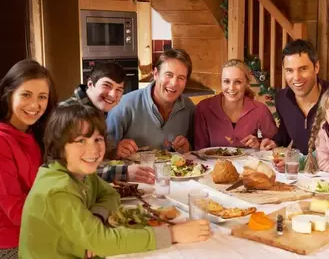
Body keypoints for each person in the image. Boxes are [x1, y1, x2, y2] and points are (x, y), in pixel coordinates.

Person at [19, 104, 212, 258]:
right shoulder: (57, 190)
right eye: (81, 141)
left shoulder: (82, 173)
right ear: (58, 145)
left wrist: (97, 216)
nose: (94, 150)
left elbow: (110, 193)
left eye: (98, 139)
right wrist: (173, 235)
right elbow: (103, 242)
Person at [61, 62, 154, 184]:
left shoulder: (96, 109)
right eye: (107, 86)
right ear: (90, 84)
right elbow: (74, 169)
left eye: (119, 90)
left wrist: (113, 150)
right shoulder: (72, 115)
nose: (113, 95)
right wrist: (124, 172)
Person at [0, 59, 57, 258]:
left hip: (40, 231)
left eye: (42, 97)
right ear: (9, 94)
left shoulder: (37, 133)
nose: (35, 105)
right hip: (11, 245)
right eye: (26, 94)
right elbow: (17, 211)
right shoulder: (2, 141)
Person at [107, 49, 196, 159]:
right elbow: (101, 153)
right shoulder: (124, 106)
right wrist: (115, 152)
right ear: (155, 74)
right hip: (132, 174)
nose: (173, 83)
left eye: (181, 78)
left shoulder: (189, 108)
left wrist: (187, 149)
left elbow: (194, 150)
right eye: (169, 75)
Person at [260, 39, 329, 169]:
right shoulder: (282, 98)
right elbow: (285, 135)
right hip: (299, 174)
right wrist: (273, 143)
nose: (296, 77)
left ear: (316, 67)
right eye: (289, 70)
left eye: (303, 69)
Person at [194, 59, 277, 150]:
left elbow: (275, 142)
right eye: (226, 81)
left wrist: (259, 144)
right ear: (221, 82)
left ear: (246, 83)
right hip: (213, 163)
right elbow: (199, 150)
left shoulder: (260, 110)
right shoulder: (204, 108)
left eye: (238, 82)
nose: (231, 88)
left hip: (248, 163)